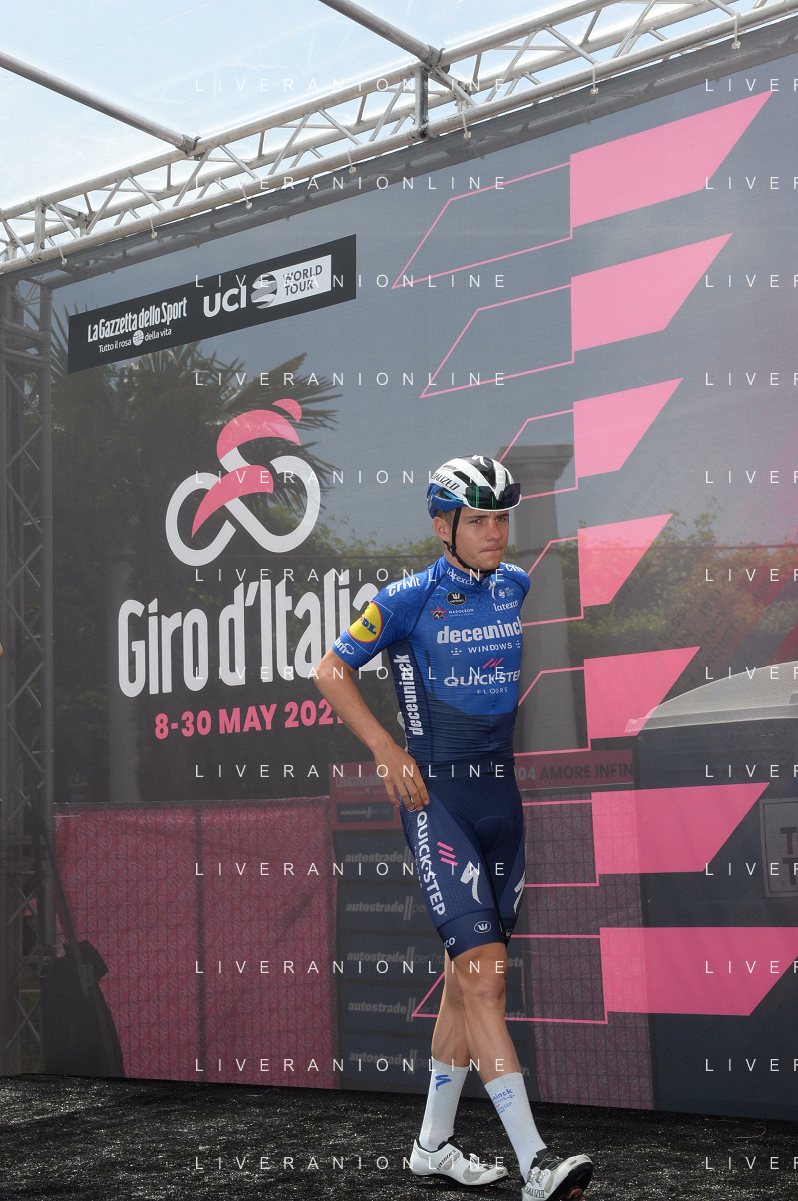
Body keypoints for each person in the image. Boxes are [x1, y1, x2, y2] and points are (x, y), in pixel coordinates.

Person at [314, 455, 593, 1200]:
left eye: (503, 518)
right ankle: (537, 1163)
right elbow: (330, 670)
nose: (495, 532)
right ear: (443, 526)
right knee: (485, 980)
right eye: (478, 520)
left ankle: (431, 1146)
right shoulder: (407, 598)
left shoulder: (516, 584)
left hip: (502, 800)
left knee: (464, 987)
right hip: (437, 801)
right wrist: (385, 748)